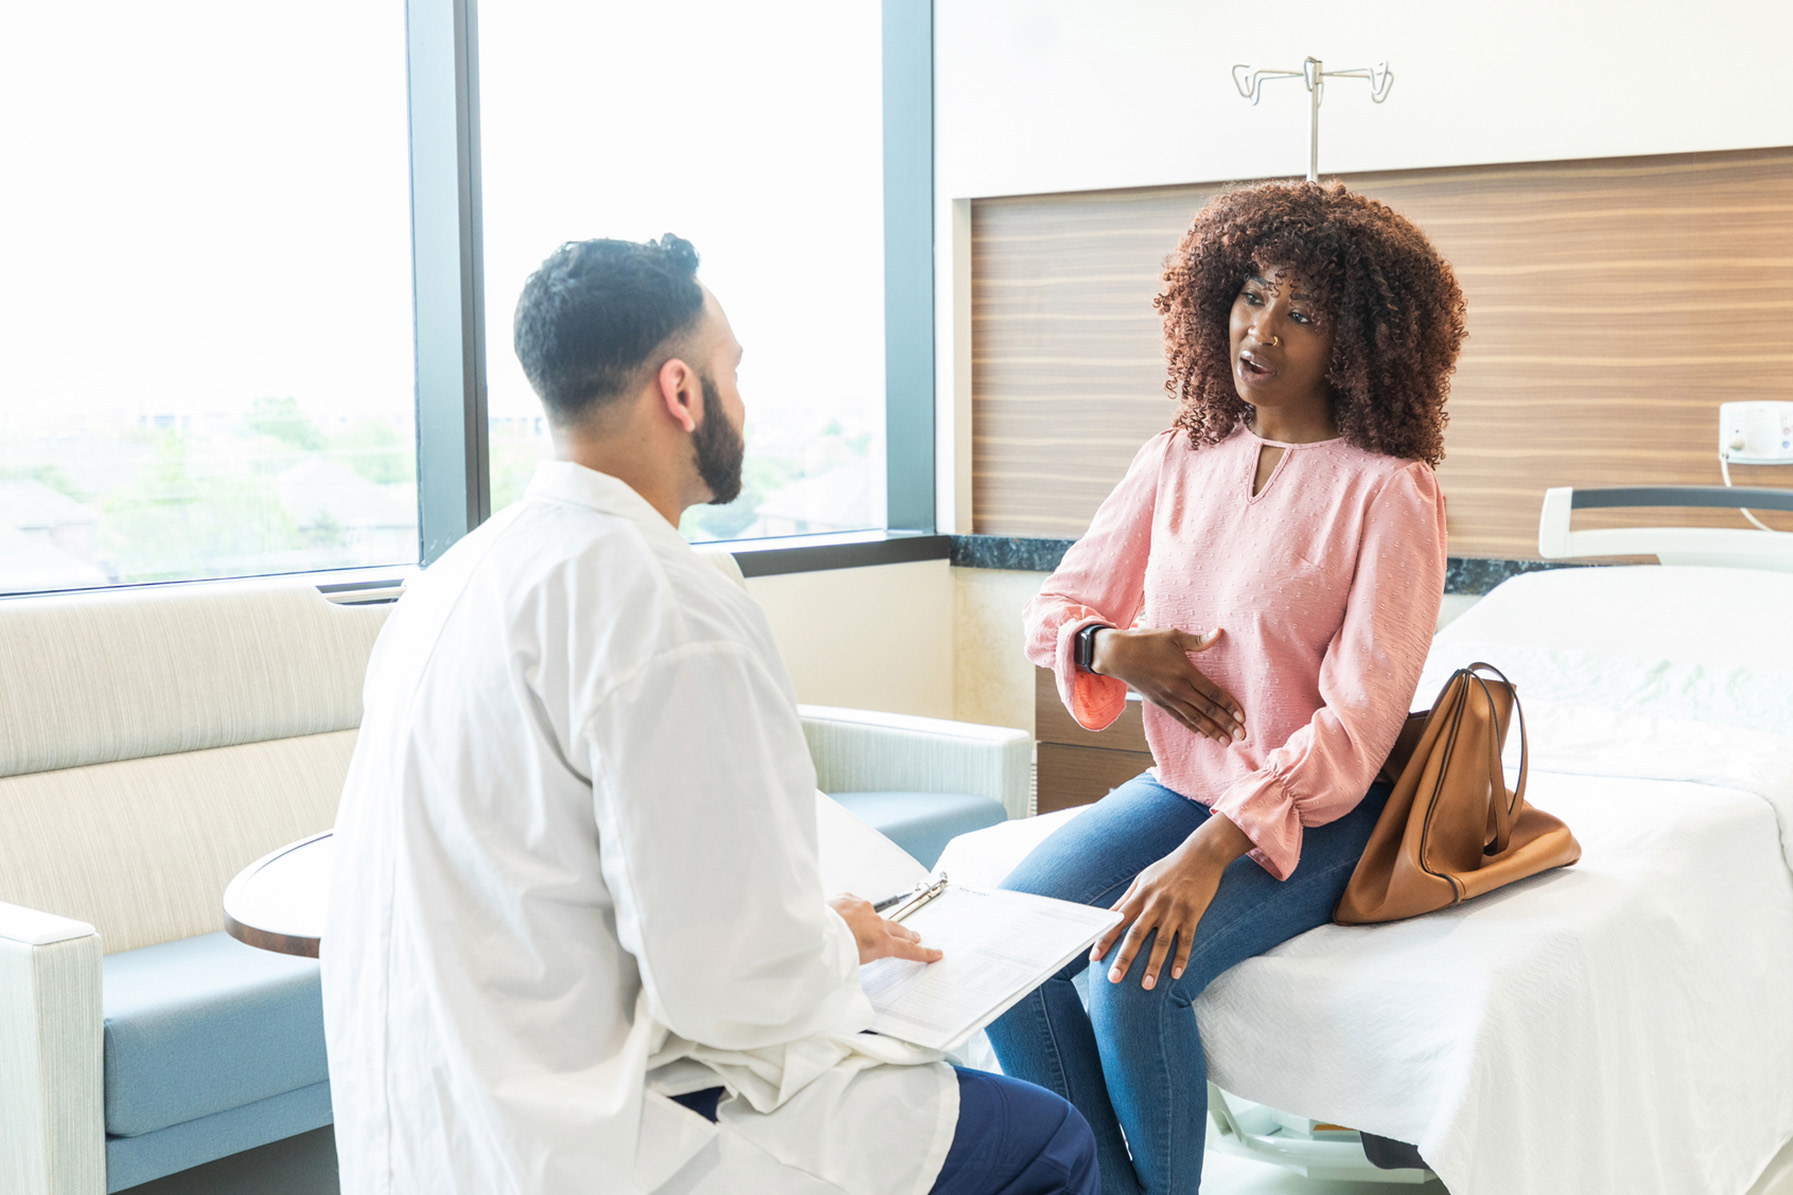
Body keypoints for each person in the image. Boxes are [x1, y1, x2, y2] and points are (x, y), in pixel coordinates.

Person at [322, 235, 1096, 1195]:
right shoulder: (668, 605)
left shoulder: (443, 588)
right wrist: (836, 941)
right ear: (680, 391)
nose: (744, 403)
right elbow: (731, 987)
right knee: (1049, 1143)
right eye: (734, 371)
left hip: (436, 1132)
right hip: (599, 1142)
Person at [990, 181, 1467, 1195]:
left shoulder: (1389, 492)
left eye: (1303, 312)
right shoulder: (1180, 453)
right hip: (1185, 787)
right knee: (1008, 940)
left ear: (1359, 341)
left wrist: (1209, 851)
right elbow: (1055, 611)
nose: (1263, 329)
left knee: (1133, 973)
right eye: (1253, 294)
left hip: (1320, 812)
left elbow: (1356, 728)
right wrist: (1118, 651)